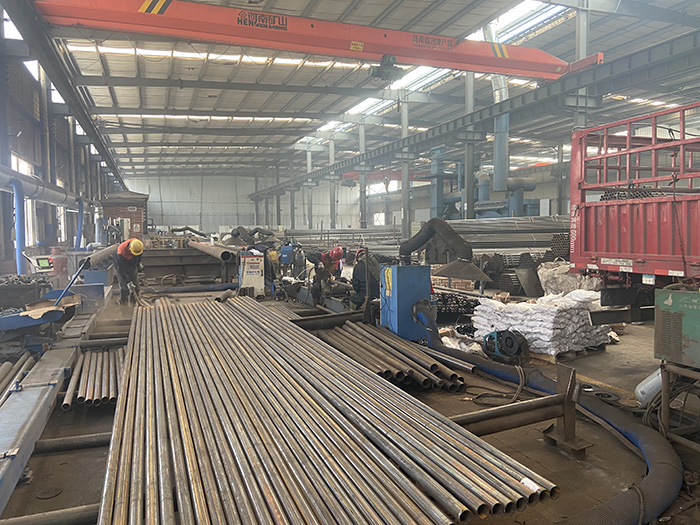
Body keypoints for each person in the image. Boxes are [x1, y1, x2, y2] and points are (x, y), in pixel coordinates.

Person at [113, 238, 143, 304]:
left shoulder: (138, 246)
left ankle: (134, 301)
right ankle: (124, 302)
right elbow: (121, 269)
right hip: (121, 265)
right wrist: (127, 280)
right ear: (129, 249)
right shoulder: (120, 252)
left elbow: (138, 258)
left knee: (136, 286)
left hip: (132, 263)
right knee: (124, 288)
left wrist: (137, 266)